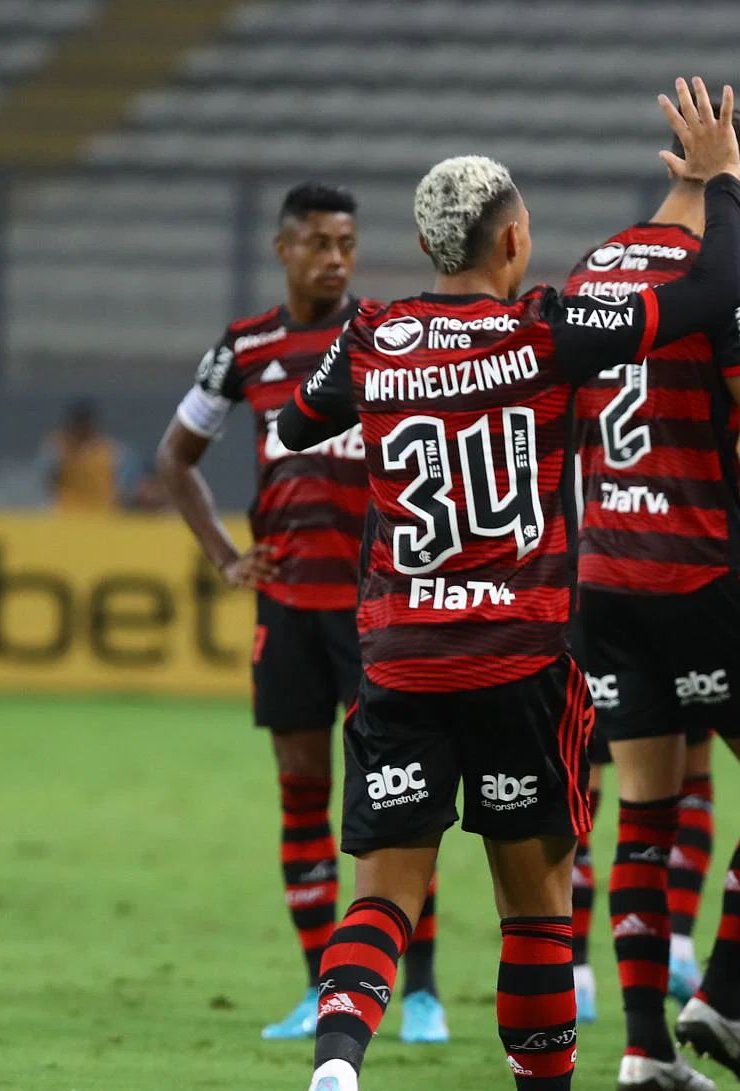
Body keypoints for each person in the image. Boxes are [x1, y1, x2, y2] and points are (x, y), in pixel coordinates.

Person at [274, 79, 740, 1091]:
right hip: (518, 660)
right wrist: (721, 176)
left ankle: (337, 1067)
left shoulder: (373, 334)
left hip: (396, 658)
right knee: (535, 908)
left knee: (384, 896)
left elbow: (298, 425)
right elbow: (715, 289)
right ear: (516, 239)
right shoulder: (544, 331)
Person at [156, 183, 450, 1045]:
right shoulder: (246, 347)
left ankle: (423, 992)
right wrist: (222, 556)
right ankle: (320, 988)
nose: (336, 259)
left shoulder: (385, 336)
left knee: (400, 800)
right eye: (319, 243)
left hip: (376, 611)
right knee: (301, 794)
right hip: (286, 606)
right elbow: (178, 458)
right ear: (283, 248)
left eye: (348, 243)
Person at [564, 107, 740, 1091]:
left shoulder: (591, 270)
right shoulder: (724, 285)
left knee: (646, 807)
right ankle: (720, 990)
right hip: (698, 568)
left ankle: (643, 1045)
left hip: (601, 573)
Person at [43, 398, 122, 510]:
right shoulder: (58, 446)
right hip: (68, 513)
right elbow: (48, 480)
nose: (82, 429)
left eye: (85, 424)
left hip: (101, 513)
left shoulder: (107, 450)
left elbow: (116, 484)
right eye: (79, 424)